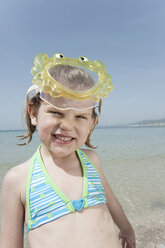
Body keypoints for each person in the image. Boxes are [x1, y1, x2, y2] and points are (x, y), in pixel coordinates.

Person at [0, 53, 136, 248]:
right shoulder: (18, 179)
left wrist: (126, 229)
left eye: (80, 117)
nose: (67, 125)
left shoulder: (91, 160)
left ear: (92, 123)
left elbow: (111, 201)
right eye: (56, 112)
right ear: (34, 113)